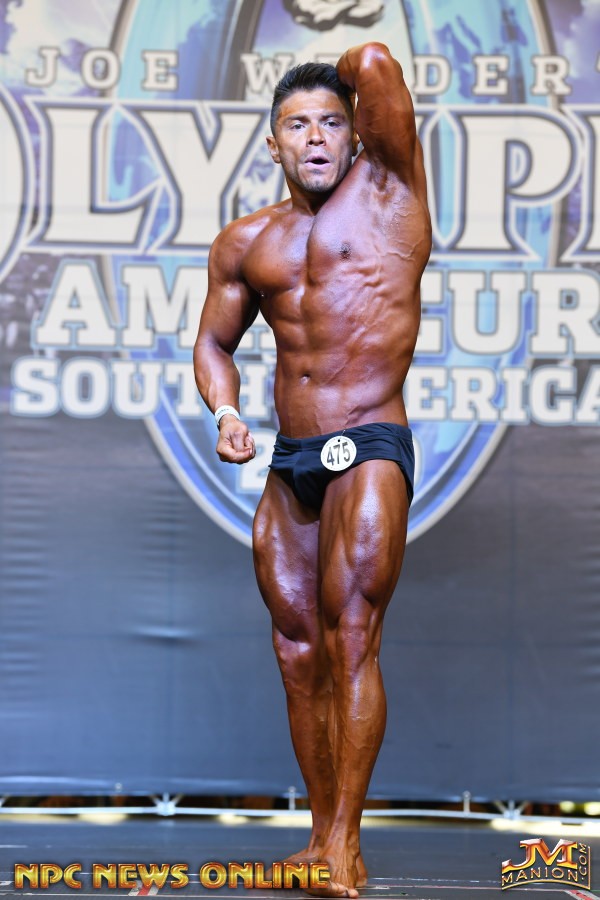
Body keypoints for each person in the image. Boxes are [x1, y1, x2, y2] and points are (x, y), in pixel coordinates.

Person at [194, 43, 431, 897]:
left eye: (333, 121)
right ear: (273, 144)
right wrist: (227, 414)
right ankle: (319, 836)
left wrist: (335, 77)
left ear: (360, 133)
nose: (318, 137)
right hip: (290, 461)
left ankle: (347, 846)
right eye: (298, 125)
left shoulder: (393, 192)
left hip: (368, 443)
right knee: (296, 650)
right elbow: (213, 343)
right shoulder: (247, 241)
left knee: (351, 635)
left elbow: (372, 59)